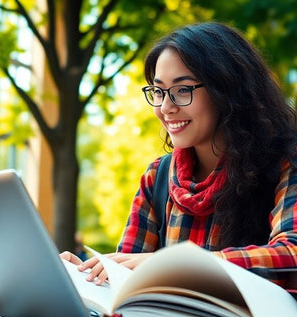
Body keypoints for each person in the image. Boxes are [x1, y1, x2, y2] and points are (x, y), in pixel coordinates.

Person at [61, 21, 297, 289]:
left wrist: (177, 265)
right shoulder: (157, 178)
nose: (165, 107)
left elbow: (292, 255)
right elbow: (125, 280)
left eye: (182, 90)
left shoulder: (285, 162)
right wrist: (79, 277)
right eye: (159, 91)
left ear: (228, 90)